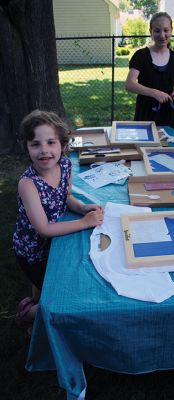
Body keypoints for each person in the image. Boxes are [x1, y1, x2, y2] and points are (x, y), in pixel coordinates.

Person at [13, 110, 104, 334]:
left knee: (43, 285)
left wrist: (81, 207)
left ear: (62, 145)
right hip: (33, 252)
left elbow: (66, 196)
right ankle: (28, 315)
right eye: (35, 144)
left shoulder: (65, 165)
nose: (44, 150)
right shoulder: (28, 184)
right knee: (54, 298)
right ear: (27, 147)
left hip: (55, 244)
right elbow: (43, 229)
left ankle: (33, 299)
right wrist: (84, 222)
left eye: (50, 142)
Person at [125, 12, 174, 132]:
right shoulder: (141, 56)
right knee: (144, 147)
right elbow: (129, 84)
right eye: (157, 31)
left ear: (171, 30)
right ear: (151, 31)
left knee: (169, 148)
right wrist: (155, 93)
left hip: (169, 113)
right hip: (145, 113)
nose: (162, 35)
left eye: (166, 30)